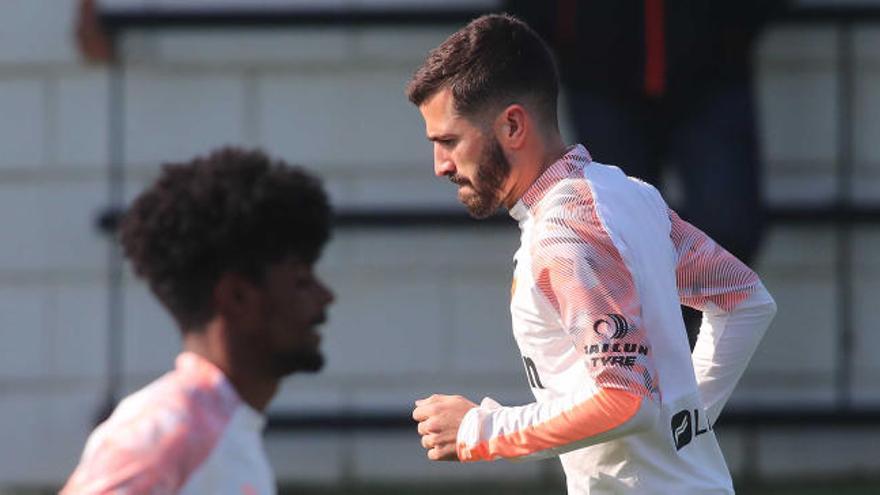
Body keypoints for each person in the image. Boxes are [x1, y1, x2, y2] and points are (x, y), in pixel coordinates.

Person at [407, 14, 776, 494]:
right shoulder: (628, 194)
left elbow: (623, 399)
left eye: (449, 142)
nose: (441, 166)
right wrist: (685, 425)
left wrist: (482, 429)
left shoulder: (564, 232)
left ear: (513, 125)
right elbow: (744, 299)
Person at [506, 1, 787, 347]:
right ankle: (649, 373)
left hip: (713, 62)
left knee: (730, 224)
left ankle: (670, 361)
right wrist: (565, 23)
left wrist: (734, 21)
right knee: (613, 239)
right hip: (601, 67)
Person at [61, 148, 335, 494]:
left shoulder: (224, 428)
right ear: (237, 297)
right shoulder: (167, 432)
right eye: (301, 280)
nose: (326, 296)